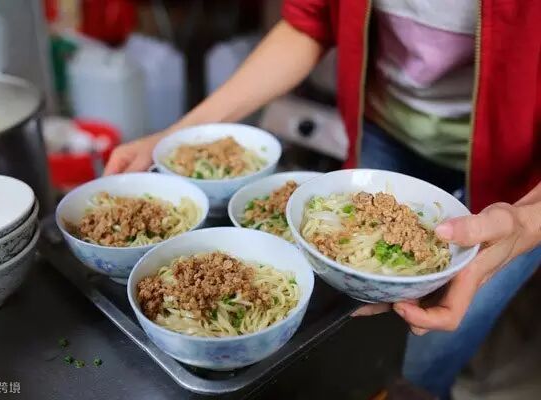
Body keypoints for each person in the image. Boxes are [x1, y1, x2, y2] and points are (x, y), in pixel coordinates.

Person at [104, 1, 541, 398]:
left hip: (519, 179)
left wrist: (526, 222)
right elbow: (308, 22)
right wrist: (179, 136)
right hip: (384, 130)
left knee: (426, 352)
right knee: (361, 332)